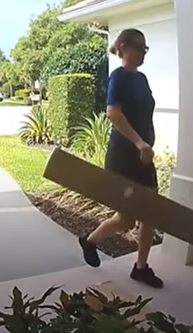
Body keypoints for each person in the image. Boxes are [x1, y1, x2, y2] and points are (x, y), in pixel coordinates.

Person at [78, 28, 163, 289]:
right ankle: (90, 240)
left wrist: (146, 144)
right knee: (127, 219)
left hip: (143, 158)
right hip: (123, 158)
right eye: (139, 47)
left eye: (145, 48)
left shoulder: (142, 79)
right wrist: (139, 142)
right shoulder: (118, 78)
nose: (143, 53)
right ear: (123, 47)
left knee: (150, 214)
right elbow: (113, 113)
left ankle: (140, 267)